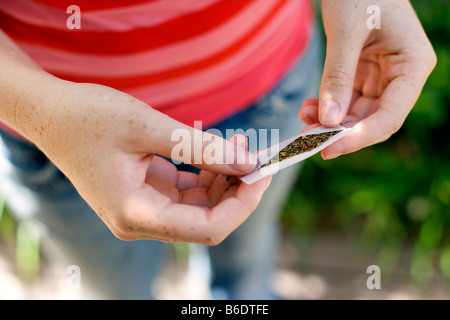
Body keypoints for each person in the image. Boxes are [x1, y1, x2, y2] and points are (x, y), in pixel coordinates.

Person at [0, 0, 436, 299]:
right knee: (117, 285)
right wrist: (43, 112)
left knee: (246, 257)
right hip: (61, 139)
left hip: (266, 86)